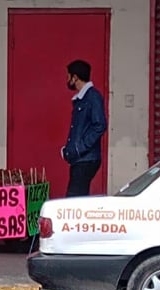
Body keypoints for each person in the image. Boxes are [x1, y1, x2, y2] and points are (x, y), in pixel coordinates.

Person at [61, 60, 107, 197]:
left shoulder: (92, 97)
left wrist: (78, 148)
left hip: (86, 159)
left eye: (68, 76)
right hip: (80, 159)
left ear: (75, 77)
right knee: (77, 199)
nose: (67, 80)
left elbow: (100, 125)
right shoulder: (81, 99)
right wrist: (68, 151)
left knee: (73, 201)